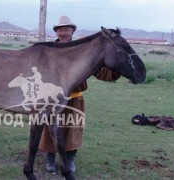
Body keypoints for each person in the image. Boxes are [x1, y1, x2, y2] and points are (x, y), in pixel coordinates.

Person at [38, 15, 121, 174]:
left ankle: (69, 160)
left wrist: (115, 71)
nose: (63, 33)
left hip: (75, 98)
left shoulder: (82, 52)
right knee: (49, 130)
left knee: (73, 129)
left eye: (66, 30)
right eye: (60, 30)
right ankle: (50, 158)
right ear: (56, 33)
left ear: (72, 31)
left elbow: (99, 71)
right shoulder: (49, 51)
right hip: (51, 99)